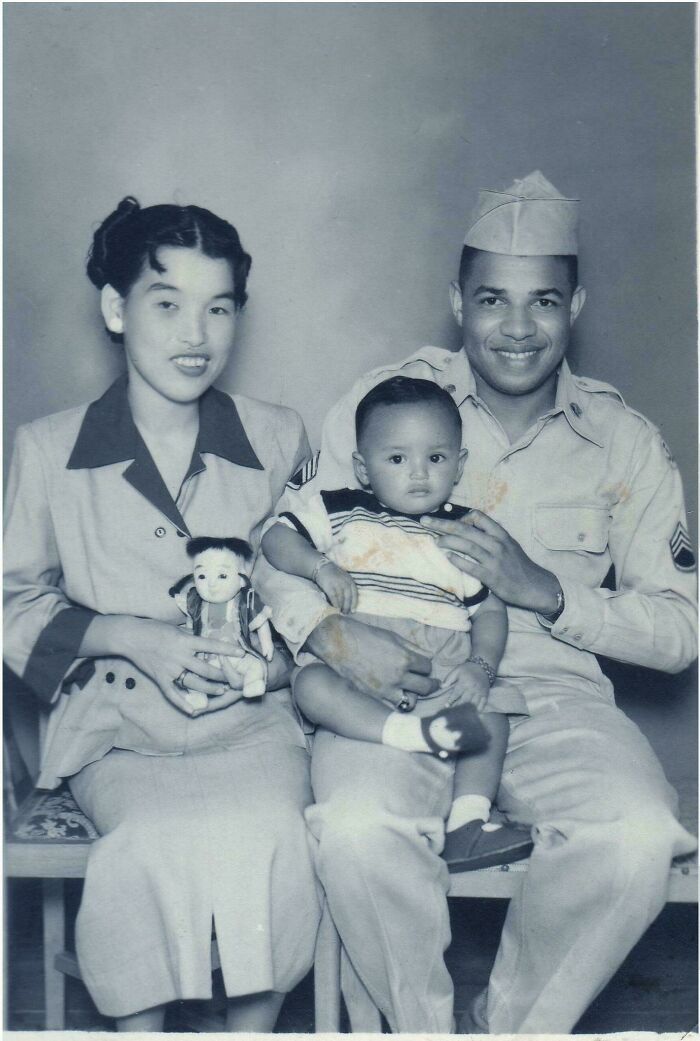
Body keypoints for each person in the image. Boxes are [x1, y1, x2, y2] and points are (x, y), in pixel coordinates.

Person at [256, 171, 698, 1033]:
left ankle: (510, 1028)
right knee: (355, 830)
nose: (518, 328)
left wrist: (546, 591)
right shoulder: (388, 404)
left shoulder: (623, 441)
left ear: (577, 307)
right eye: (493, 299)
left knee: (639, 835)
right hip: (397, 685)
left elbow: (681, 630)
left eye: (544, 301)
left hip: (553, 700)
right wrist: (333, 634)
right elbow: (280, 543)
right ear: (458, 302)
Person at [3, 198, 321, 1031]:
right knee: (148, 844)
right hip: (117, 731)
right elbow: (11, 602)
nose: (195, 334)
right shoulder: (48, 448)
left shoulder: (279, 437)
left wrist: (281, 663)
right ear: (116, 309)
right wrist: (128, 636)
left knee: (271, 832)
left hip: (254, 725)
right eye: (167, 303)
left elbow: (312, 585)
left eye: (218, 308)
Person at [262, 375, 534, 870]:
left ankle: (468, 820)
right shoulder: (340, 510)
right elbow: (276, 539)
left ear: (459, 465)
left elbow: (490, 611)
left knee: (494, 712)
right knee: (310, 685)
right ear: (363, 468)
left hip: (442, 662)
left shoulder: (465, 532)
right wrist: (320, 567)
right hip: (360, 661)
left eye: (436, 458)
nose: (419, 474)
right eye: (396, 459)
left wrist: (480, 666)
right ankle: (407, 735)